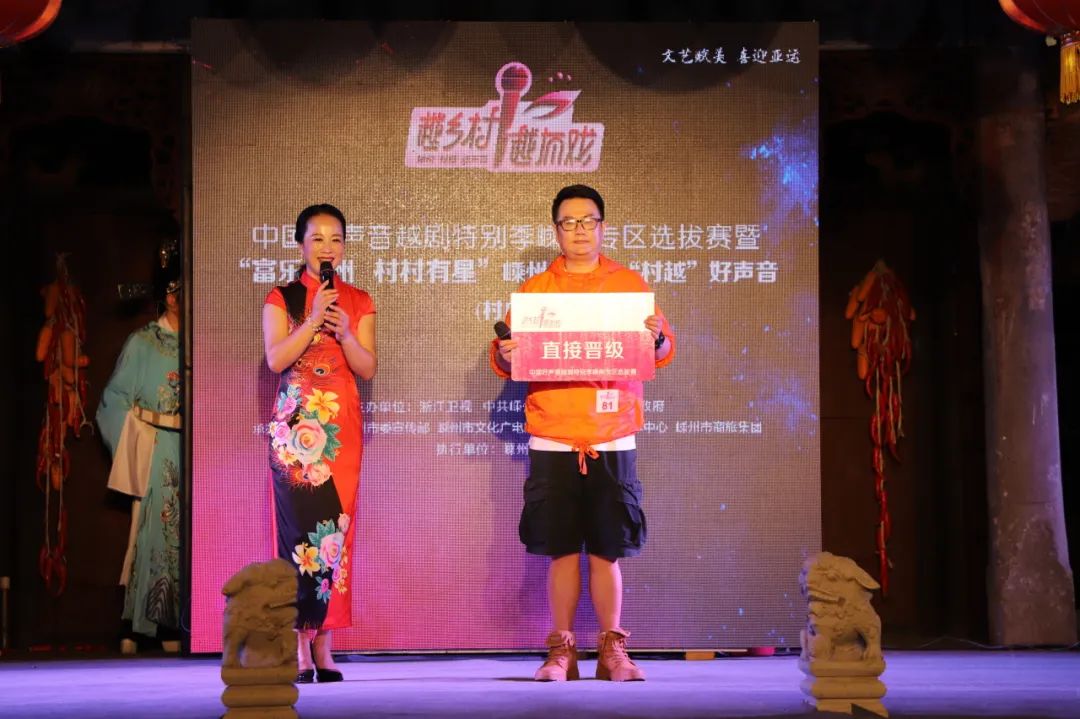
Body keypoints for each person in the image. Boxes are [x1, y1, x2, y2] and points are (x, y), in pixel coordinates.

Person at [490, 185, 675, 682]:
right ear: (556, 231)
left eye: (587, 221)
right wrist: (505, 353)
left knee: (609, 550)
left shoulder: (628, 284)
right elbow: (506, 359)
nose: (579, 230)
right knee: (563, 550)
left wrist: (657, 338)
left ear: (602, 227)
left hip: (612, 433)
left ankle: (613, 651)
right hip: (553, 433)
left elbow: (661, 351)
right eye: (568, 222)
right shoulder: (535, 292)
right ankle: (562, 652)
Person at [263, 203, 376, 684]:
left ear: (343, 247)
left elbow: (367, 367)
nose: (327, 247)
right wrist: (311, 321)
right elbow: (276, 360)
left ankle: (325, 644)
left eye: (335, 239)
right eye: (317, 239)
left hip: (340, 431)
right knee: (298, 537)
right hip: (295, 432)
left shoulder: (358, 299)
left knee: (335, 536)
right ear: (300, 245)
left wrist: (346, 332)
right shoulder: (282, 298)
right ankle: (297, 645)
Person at [97, 250, 183, 652]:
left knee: (189, 534)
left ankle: (181, 621)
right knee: (155, 533)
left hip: (194, 449)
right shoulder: (144, 342)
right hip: (155, 445)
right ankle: (144, 622)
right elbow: (113, 399)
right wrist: (135, 445)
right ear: (170, 296)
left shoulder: (201, 342)